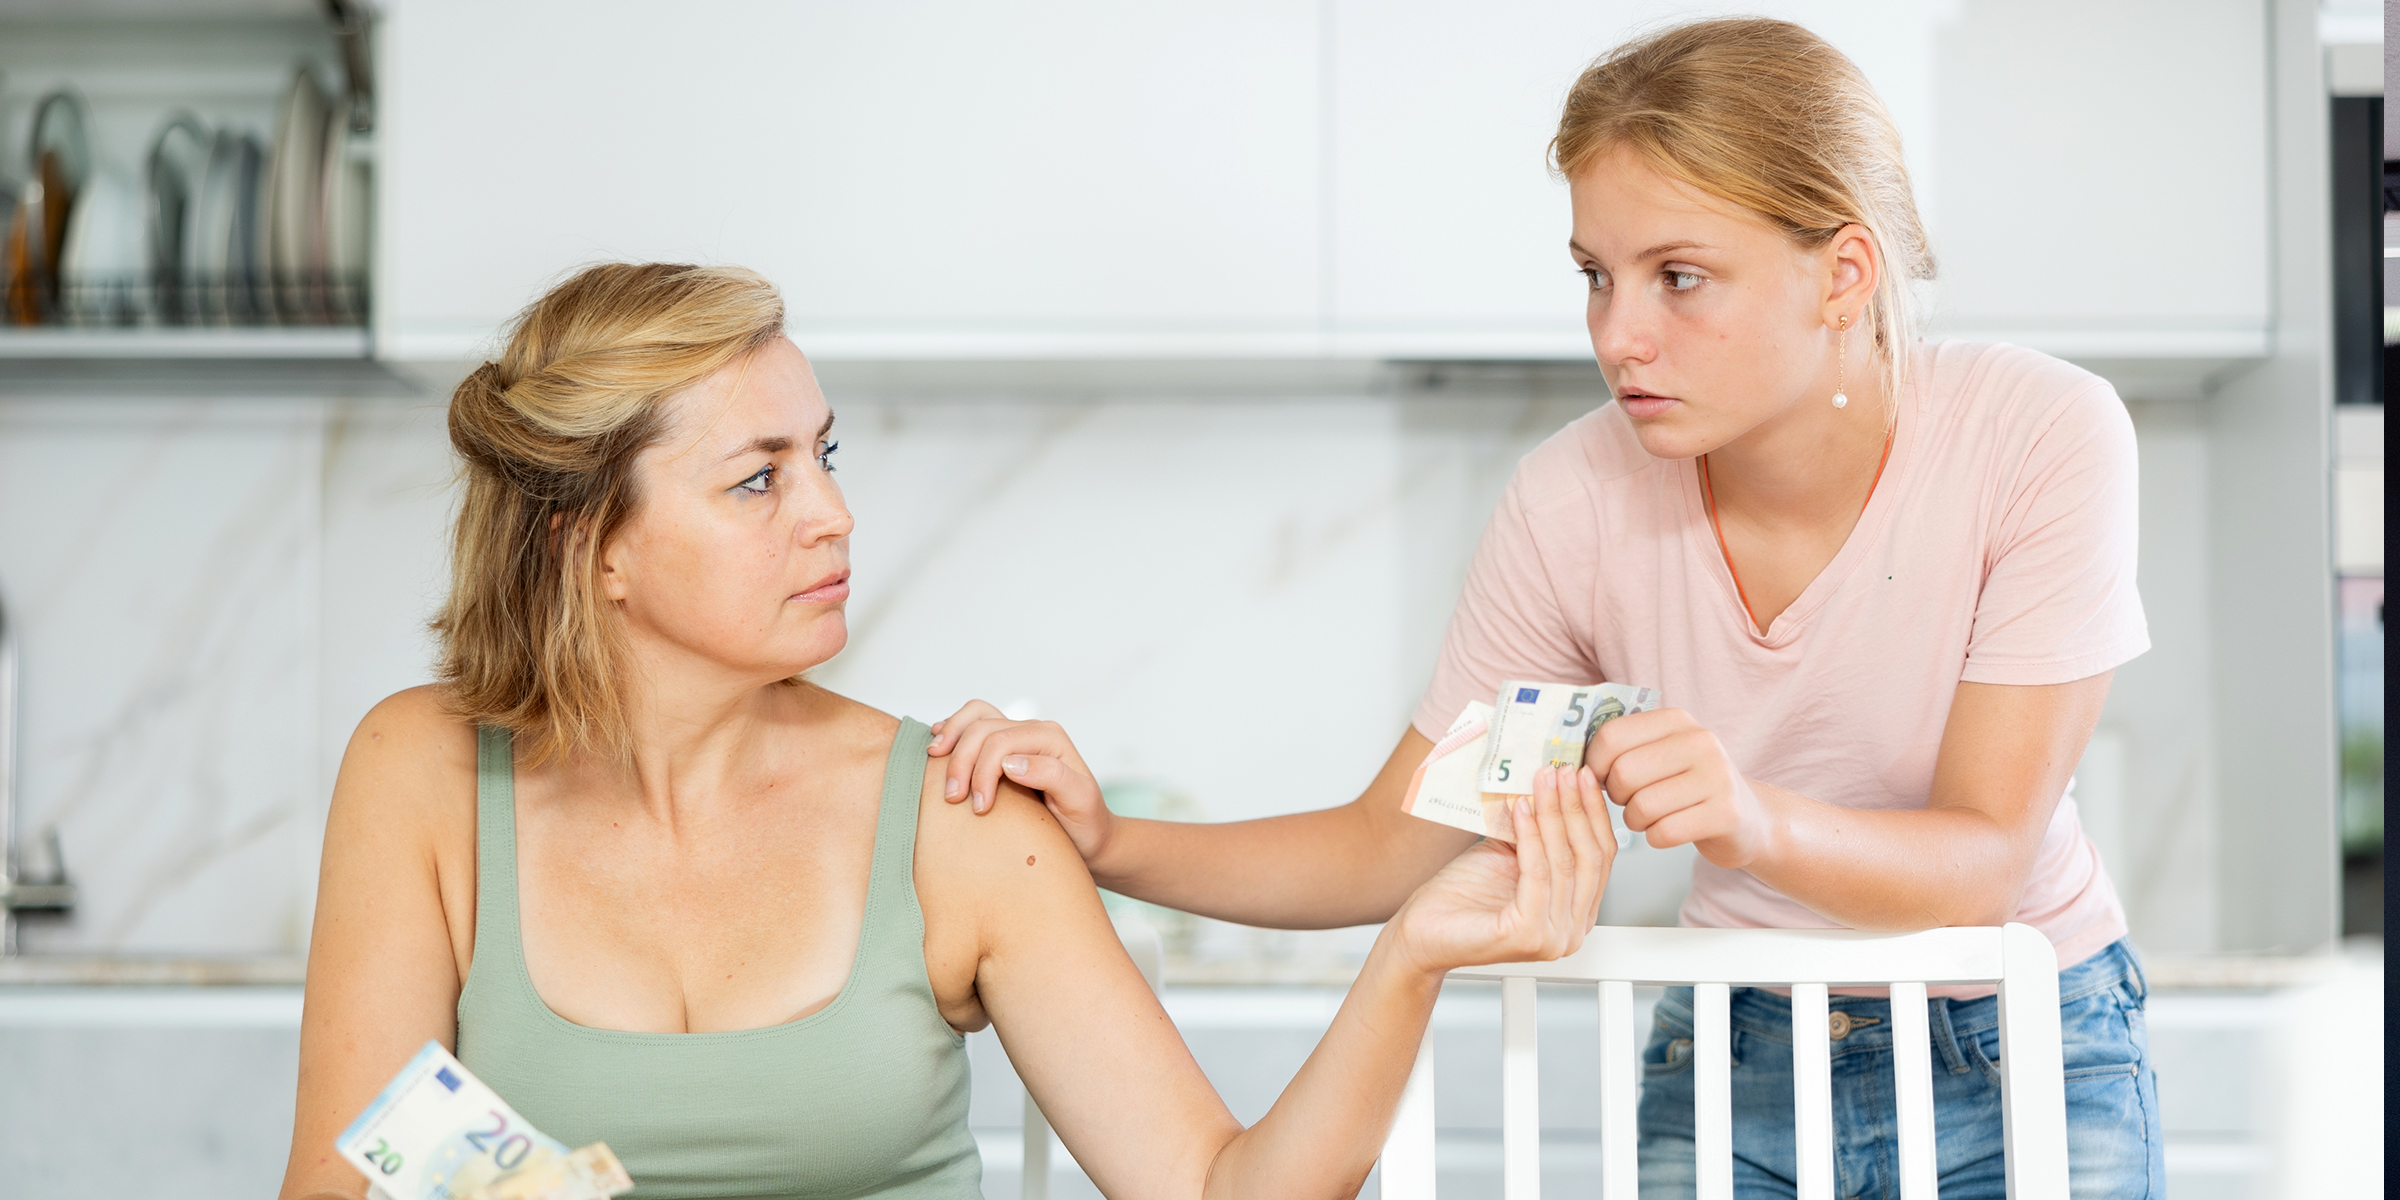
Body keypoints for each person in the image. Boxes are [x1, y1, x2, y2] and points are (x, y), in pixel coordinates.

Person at [932, 18, 2162, 1200]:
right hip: (1740, 1057)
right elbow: (1389, 843)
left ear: (1842, 275)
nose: (1618, 334)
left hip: (2021, 1047)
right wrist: (1107, 847)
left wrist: (1747, 819)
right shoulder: (1572, 501)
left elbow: (1985, 860)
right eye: (1595, 276)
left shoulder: (2040, 438)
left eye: (1680, 277)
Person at [275, 263, 1620, 1200]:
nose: (831, 514)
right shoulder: (427, 772)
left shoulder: (952, 819)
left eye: (825, 456)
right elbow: (340, 1176)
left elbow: (1222, 1187)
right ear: (595, 549)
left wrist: (1413, 953)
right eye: (758, 479)